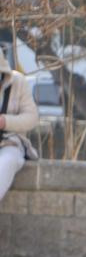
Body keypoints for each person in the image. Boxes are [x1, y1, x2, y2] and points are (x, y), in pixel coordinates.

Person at [0, 56, 39, 206]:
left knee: (6, 162)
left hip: (10, 142)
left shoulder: (18, 82)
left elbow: (32, 118)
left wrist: (5, 121)